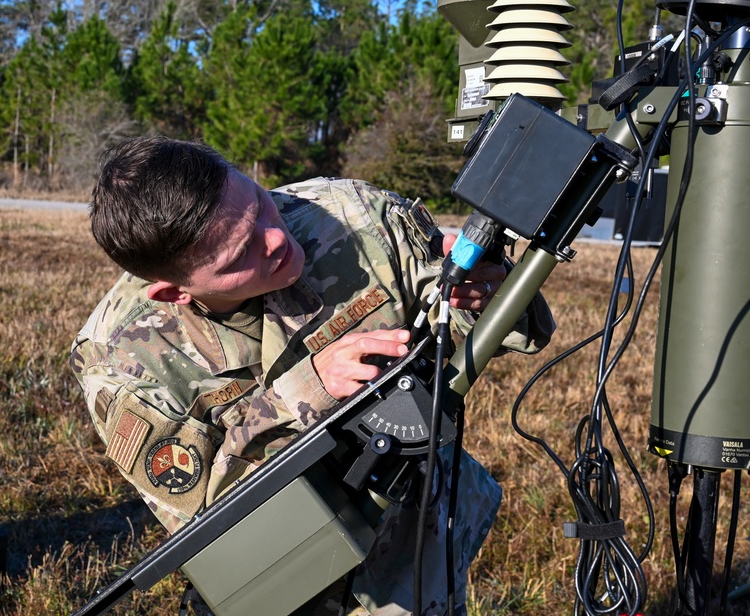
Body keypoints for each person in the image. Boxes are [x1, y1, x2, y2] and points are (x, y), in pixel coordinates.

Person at [70, 136, 555, 615]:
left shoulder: (352, 216)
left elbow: (475, 328)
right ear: (173, 294)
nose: (276, 236)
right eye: (240, 256)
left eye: (258, 202)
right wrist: (302, 394)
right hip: (288, 570)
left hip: (414, 536)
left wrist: (488, 296)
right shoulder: (124, 363)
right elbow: (207, 520)